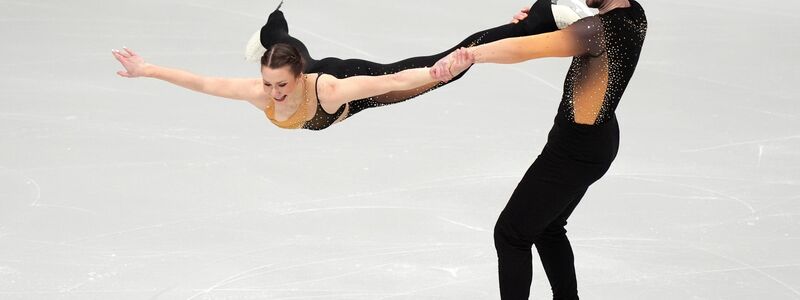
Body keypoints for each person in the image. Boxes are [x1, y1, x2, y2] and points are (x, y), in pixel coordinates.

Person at [433, 0, 647, 299]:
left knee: (511, 234)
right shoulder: (633, 14)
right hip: (599, 140)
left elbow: (524, 49)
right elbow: (577, 21)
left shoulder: (596, 30)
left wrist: (470, 55)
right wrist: (539, 19)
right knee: (548, 227)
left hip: (574, 151)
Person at [112, 0, 580, 131]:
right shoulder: (266, 87)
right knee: (280, 41)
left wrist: (440, 72)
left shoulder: (329, 90)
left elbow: (394, 79)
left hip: (362, 84)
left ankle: (539, 17)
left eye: (280, 85)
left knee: (452, 61)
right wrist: (148, 69)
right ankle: (271, 28)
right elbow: (205, 82)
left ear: (299, 77)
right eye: (269, 84)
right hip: (309, 66)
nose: (273, 93)